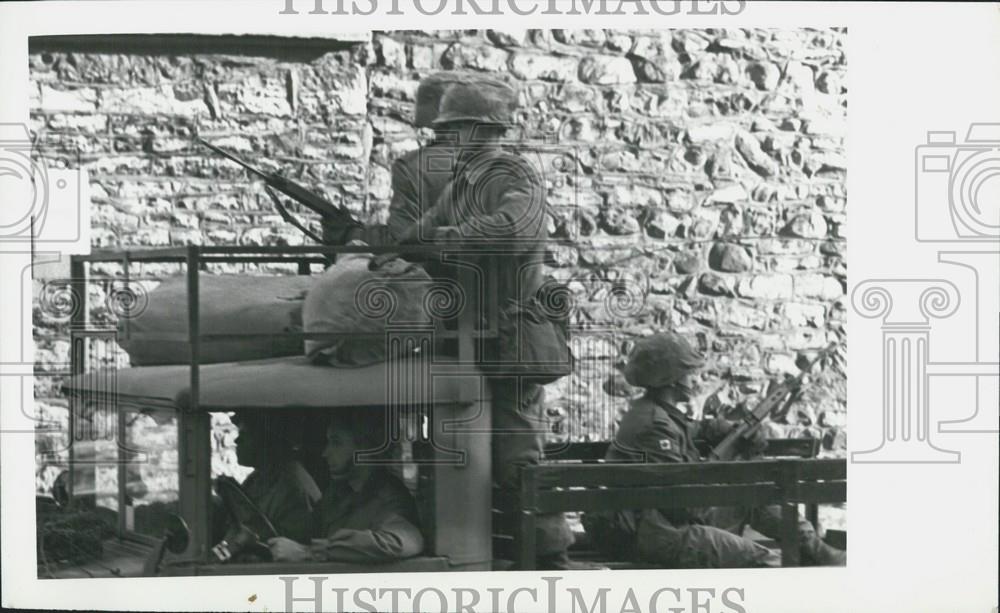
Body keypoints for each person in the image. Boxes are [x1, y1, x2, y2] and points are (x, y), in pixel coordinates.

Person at [384, 73, 588, 570]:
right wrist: (383, 243)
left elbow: (513, 230)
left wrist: (449, 238)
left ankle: (548, 558)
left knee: (518, 458)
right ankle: (492, 554)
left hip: (513, 335)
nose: (445, 138)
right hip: (476, 337)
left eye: (453, 129)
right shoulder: (464, 182)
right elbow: (414, 238)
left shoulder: (513, 175)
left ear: (481, 130)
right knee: (464, 459)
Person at [583, 332, 847, 568]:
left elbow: (694, 430)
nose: (695, 378)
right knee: (763, 558)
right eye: (689, 372)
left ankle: (815, 549)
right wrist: (727, 468)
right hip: (660, 533)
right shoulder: (654, 425)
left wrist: (730, 430)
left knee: (755, 497)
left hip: (671, 522)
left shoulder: (659, 413)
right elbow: (681, 504)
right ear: (671, 379)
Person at [266, 412, 424, 563]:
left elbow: (404, 542)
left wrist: (309, 553)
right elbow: (307, 533)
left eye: (336, 443)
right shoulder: (339, 494)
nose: (325, 453)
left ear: (366, 449)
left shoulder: (389, 499)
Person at [216, 410, 322, 549]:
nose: (236, 440)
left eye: (245, 434)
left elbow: (291, 548)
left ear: (266, 440)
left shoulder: (292, 485)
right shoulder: (261, 477)